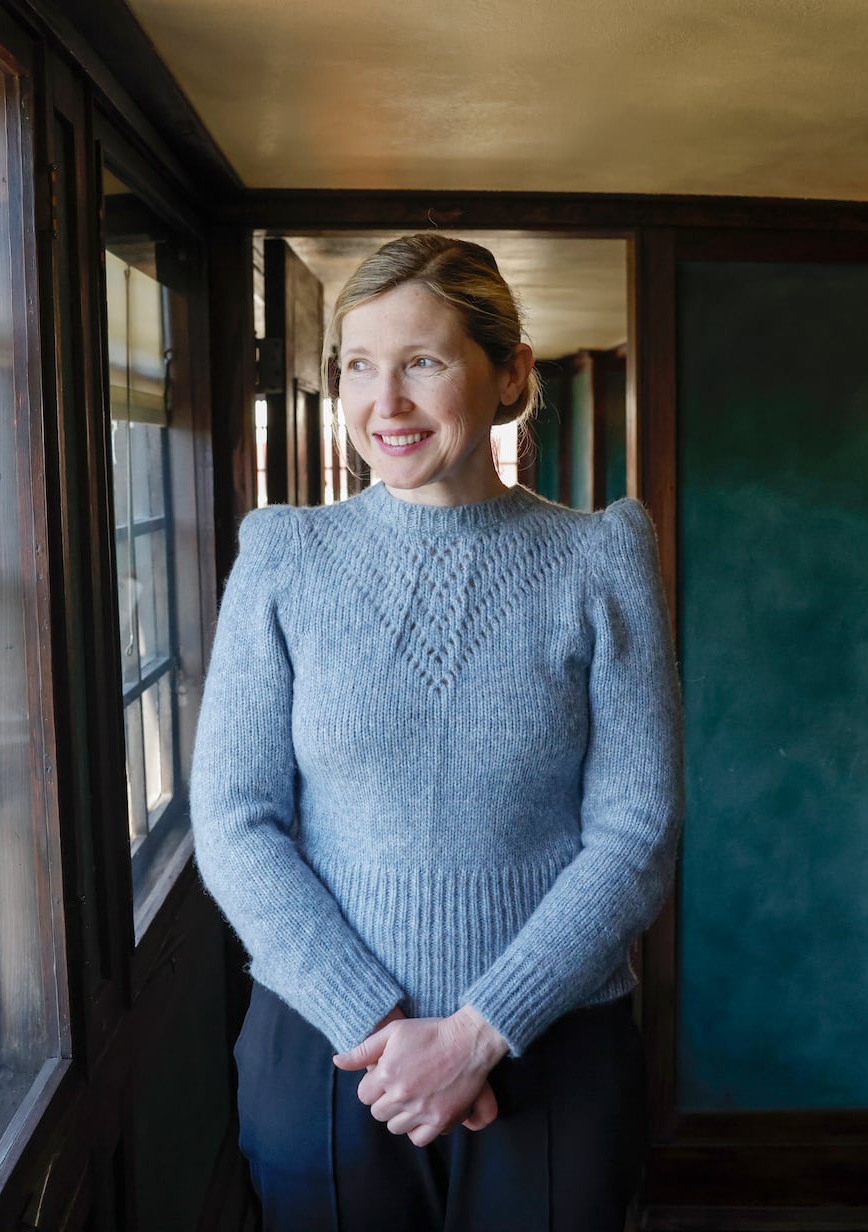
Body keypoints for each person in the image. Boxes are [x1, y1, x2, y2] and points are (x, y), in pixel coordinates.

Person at [190, 233, 683, 1231]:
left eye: (422, 361)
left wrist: (478, 1032)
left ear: (508, 374)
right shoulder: (285, 558)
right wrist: (379, 1025)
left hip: (549, 1051)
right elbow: (235, 819)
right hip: (329, 1055)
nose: (387, 402)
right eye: (359, 367)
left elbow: (637, 831)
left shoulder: (599, 560)